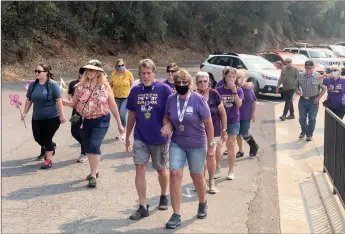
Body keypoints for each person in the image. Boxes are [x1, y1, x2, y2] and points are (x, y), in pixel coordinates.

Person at [164, 69, 215, 229]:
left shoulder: (198, 99)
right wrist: (166, 125)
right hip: (177, 142)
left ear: (189, 84)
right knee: (174, 175)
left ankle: (202, 202)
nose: (181, 85)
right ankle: (176, 214)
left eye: (184, 83)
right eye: (178, 83)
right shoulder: (171, 99)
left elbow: (208, 124)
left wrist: (211, 146)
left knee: (197, 176)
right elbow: (168, 115)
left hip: (197, 144)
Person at [62, 62, 124, 188]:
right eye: (88, 70)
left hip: (101, 120)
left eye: (93, 70)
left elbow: (112, 105)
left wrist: (119, 124)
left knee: (95, 145)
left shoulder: (105, 87)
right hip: (84, 121)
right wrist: (64, 102)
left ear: (98, 72)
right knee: (88, 147)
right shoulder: (79, 86)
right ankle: (95, 170)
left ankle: (93, 175)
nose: (90, 72)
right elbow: (74, 103)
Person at [125, 59, 173, 220]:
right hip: (140, 136)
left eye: (148, 73)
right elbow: (132, 114)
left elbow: (172, 112)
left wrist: (168, 126)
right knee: (140, 168)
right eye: (143, 73)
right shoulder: (135, 91)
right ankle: (143, 206)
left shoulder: (164, 89)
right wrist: (127, 135)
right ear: (139, 74)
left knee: (160, 169)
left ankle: (163, 195)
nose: (146, 76)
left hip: (159, 137)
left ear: (154, 73)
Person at [22, 64, 66, 169]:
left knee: (47, 138)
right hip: (37, 118)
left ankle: (48, 160)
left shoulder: (52, 85)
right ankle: (51, 145)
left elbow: (59, 101)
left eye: (39, 71)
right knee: (38, 138)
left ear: (46, 72)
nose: (36, 73)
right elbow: (29, 99)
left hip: (52, 118)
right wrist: (24, 113)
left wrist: (62, 115)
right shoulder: (32, 84)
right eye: (35, 71)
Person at [195, 71, 227, 193]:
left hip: (214, 132)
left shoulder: (215, 94)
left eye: (205, 81)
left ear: (209, 82)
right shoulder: (193, 95)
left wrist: (224, 130)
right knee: (200, 159)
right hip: (198, 132)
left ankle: (211, 181)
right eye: (200, 81)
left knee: (211, 157)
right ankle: (201, 182)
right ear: (196, 83)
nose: (203, 83)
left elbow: (223, 113)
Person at [217, 67, 243, 180]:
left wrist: (234, 92)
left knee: (231, 146)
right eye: (229, 77)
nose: (231, 79)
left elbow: (238, 104)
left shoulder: (239, 90)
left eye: (233, 77)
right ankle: (217, 168)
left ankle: (231, 171)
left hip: (233, 121)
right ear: (225, 77)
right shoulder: (219, 90)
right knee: (218, 145)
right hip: (219, 121)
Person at [296, 60, 327, 141]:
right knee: (302, 118)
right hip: (302, 100)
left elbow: (324, 89)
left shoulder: (318, 76)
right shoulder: (301, 75)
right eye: (307, 68)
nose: (308, 70)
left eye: (310, 68)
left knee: (312, 119)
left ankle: (309, 134)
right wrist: (297, 90)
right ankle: (304, 130)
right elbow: (296, 85)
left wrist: (318, 98)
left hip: (313, 100)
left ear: (313, 67)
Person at [236, 70, 259, 157]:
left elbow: (254, 101)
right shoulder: (235, 88)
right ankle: (240, 150)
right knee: (237, 133)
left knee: (244, 133)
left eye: (239, 77)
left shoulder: (247, 88)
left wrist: (254, 113)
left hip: (246, 115)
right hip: (236, 115)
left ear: (243, 78)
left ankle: (254, 146)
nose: (237, 79)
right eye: (236, 77)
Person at [109, 59, 134, 140]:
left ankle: (124, 132)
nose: (121, 67)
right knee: (118, 116)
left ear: (124, 65)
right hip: (116, 98)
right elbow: (110, 86)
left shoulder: (128, 74)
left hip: (126, 98)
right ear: (116, 66)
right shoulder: (113, 75)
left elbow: (133, 86)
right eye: (119, 66)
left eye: (122, 65)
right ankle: (122, 131)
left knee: (122, 114)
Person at [68, 67, 87, 162]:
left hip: (86, 113)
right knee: (74, 131)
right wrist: (70, 100)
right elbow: (69, 96)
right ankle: (86, 145)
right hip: (76, 112)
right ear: (80, 74)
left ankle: (84, 153)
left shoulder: (89, 85)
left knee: (83, 132)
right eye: (83, 73)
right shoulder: (73, 84)